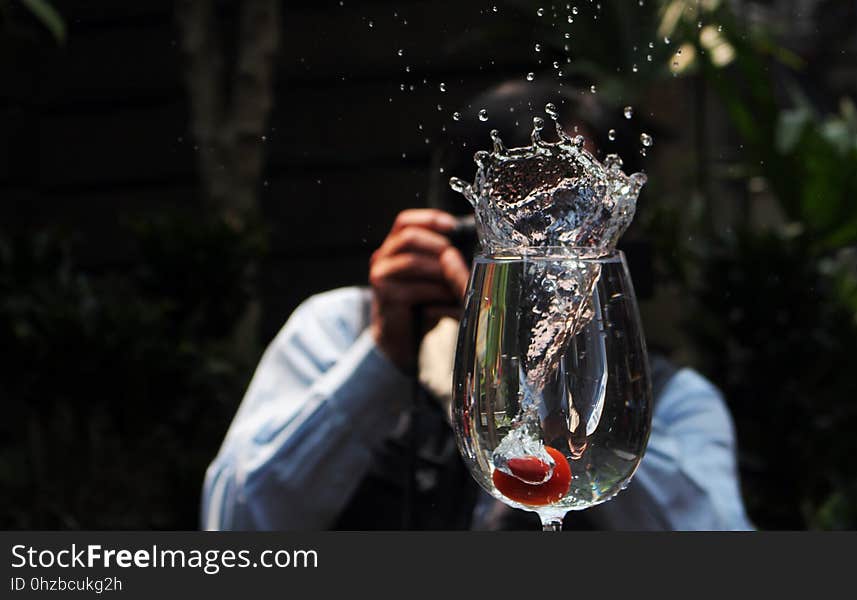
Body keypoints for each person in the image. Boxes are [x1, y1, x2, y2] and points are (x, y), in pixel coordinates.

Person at [201, 81, 754, 531]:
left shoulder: (673, 401)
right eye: (512, 230)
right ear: (452, 228)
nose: (541, 260)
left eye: (573, 227)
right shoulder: (339, 331)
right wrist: (382, 357)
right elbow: (232, 532)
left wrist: (573, 407)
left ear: (615, 242)